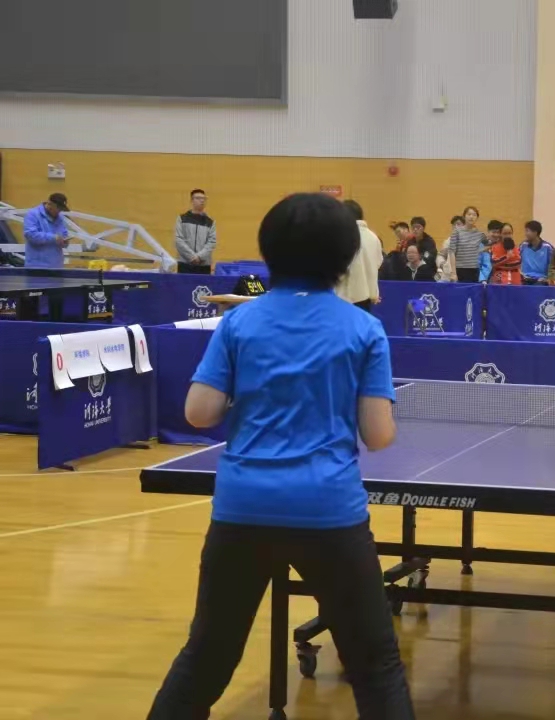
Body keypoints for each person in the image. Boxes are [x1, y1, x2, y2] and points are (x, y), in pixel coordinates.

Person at [145, 192, 415, 719]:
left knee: (206, 658)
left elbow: (199, 412)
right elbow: (378, 435)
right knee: (375, 666)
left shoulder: (239, 323)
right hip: (328, 510)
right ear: (345, 258)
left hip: (243, 508)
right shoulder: (363, 328)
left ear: (269, 251)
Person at [335, 199, 383, 311]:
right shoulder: (373, 237)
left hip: (346, 297)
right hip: (366, 298)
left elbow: (339, 267)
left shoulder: (344, 235)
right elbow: (378, 262)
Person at [22, 193, 70, 269]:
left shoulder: (60, 218)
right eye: (58, 208)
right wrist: (53, 237)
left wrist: (65, 242)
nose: (59, 211)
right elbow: (30, 235)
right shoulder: (33, 214)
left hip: (56, 266)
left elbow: (63, 233)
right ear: (50, 204)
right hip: (37, 267)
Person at [175, 189, 217, 274]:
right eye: (198, 198)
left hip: (204, 265)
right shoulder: (182, 219)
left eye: (204, 198)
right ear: (191, 200)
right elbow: (178, 239)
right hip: (185, 263)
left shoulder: (210, 222)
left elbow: (212, 242)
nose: (202, 201)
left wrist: (199, 257)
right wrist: (191, 256)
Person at [439, 206, 486, 283]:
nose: (471, 217)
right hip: (459, 269)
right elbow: (452, 252)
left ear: (477, 218)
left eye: (474, 215)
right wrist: (453, 273)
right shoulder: (457, 232)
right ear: (464, 216)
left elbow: (489, 243)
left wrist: (482, 250)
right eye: (469, 214)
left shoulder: (480, 234)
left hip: (474, 269)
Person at [478, 220, 521, 285]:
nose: (496, 235)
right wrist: (507, 258)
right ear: (488, 231)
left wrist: (500, 266)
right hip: (485, 281)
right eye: (494, 232)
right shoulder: (485, 246)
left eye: (509, 233)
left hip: (513, 280)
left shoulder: (514, 246)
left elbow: (518, 263)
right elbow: (493, 263)